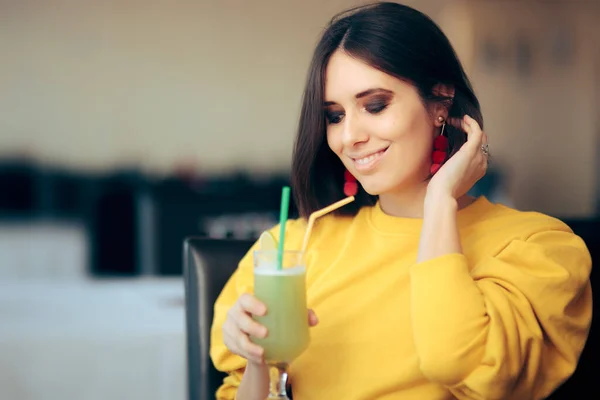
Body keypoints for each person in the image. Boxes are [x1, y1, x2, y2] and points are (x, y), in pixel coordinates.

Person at [209, 2, 593, 399]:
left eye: (375, 105)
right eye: (334, 116)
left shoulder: (537, 248)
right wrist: (256, 361)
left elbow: (458, 362)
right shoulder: (285, 252)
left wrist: (440, 202)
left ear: (440, 103)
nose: (349, 136)